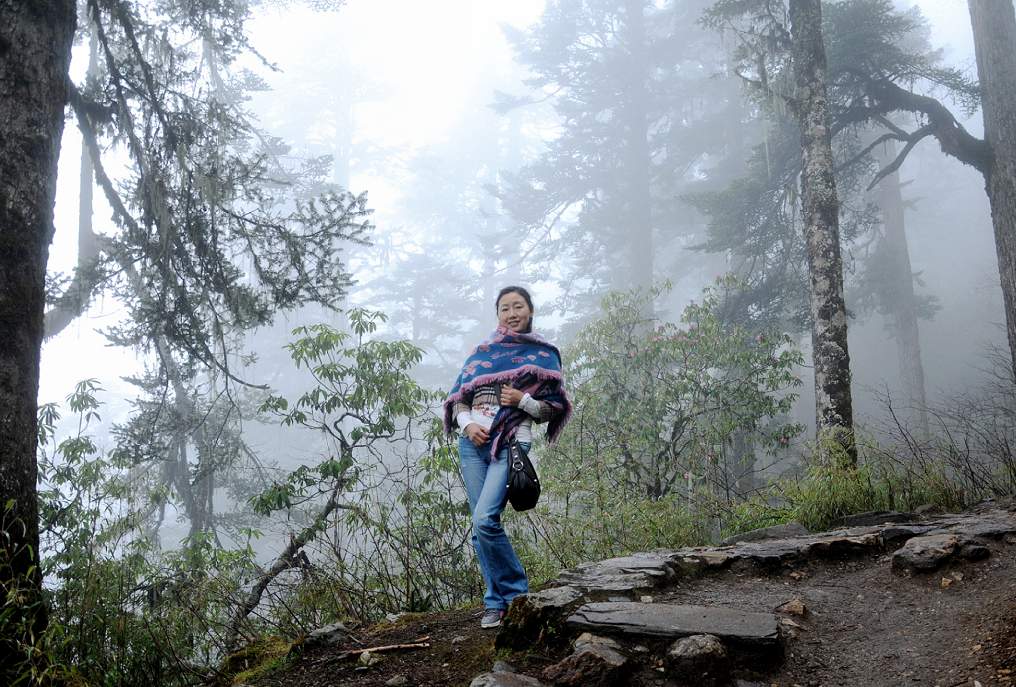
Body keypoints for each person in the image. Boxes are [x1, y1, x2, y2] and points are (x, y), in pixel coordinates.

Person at [443, 286, 572, 629]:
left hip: (512, 443)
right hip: (472, 445)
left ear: (530, 311)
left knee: (485, 520)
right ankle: (494, 603)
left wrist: (522, 401)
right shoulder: (482, 352)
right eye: (504, 308)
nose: (512, 313)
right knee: (479, 528)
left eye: (518, 306)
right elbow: (458, 398)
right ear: (497, 314)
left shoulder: (543, 353)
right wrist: (467, 424)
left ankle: (516, 595)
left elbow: (552, 408)